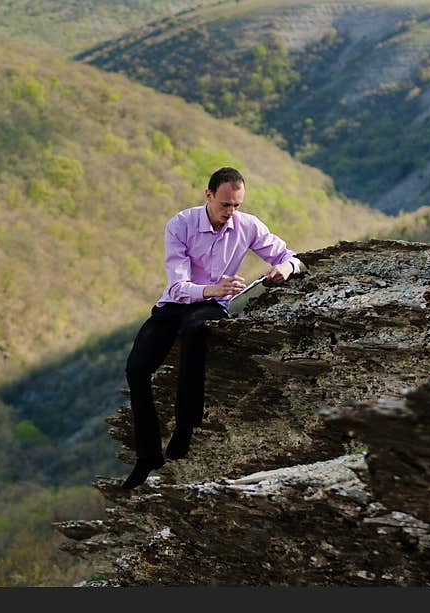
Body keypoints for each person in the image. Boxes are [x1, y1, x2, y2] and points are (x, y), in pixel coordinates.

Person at [121, 167, 300, 489]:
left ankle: (185, 427)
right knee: (136, 369)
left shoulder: (248, 226)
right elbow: (177, 285)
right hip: (177, 302)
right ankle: (148, 456)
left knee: (196, 332)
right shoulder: (181, 224)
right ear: (208, 195)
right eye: (225, 205)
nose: (231, 213)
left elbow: (290, 255)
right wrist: (212, 288)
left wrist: (284, 268)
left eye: (237, 206)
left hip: (208, 309)